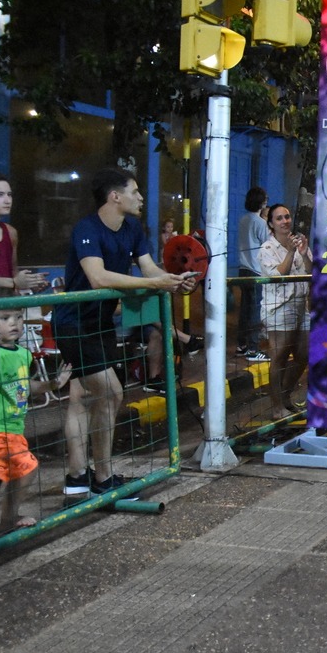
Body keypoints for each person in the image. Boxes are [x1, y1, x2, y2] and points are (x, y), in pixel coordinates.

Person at [53, 167, 197, 496]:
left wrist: (174, 281)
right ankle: (102, 478)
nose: (141, 197)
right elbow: (98, 277)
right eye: (135, 191)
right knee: (111, 393)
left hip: (102, 323)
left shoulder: (133, 228)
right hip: (73, 323)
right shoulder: (87, 228)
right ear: (115, 196)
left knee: (81, 398)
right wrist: (156, 283)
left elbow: (148, 268)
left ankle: (77, 479)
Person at [0, 288, 71, 540]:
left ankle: (0, 523)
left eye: (18, 317)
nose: (14, 323)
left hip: (13, 425)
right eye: (5, 318)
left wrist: (53, 384)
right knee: (4, 472)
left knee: (10, 472)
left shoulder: (22, 353)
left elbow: (25, 387)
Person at [0, 172, 49, 345]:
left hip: (5, 321)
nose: (7, 200)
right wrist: (13, 282)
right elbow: (11, 280)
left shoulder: (10, 232)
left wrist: (29, 283)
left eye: (9, 194)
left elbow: (12, 274)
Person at [258, 204, 311, 418]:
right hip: (279, 308)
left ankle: (285, 396)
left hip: (301, 305)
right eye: (279, 218)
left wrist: (304, 253)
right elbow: (279, 275)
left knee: (304, 354)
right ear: (271, 224)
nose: (285, 221)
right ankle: (277, 407)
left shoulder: (298, 243)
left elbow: (311, 271)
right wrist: (290, 252)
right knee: (279, 356)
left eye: (287, 216)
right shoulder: (267, 249)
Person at [236, 187, 269, 362]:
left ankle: (241, 345)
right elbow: (267, 245)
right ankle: (253, 349)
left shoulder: (243, 220)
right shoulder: (260, 223)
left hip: (243, 269)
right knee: (255, 310)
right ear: (261, 202)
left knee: (245, 309)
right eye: (265, 199)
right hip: (256, 271)